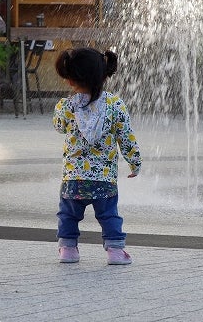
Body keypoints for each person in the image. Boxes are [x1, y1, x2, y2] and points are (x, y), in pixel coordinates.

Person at [53, 47, 141, 265]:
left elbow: (59, 127)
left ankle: (68, 250)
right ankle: (115, 252)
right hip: (104, 179)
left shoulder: (66, 106)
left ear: (71, 80)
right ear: (102, 75)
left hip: (74, 177)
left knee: (68, 215)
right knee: (109, 215)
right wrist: (134, 162)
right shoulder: (115, 105)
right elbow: (126, 136)